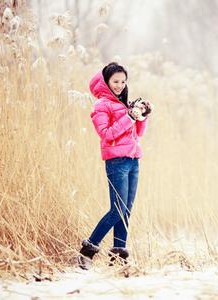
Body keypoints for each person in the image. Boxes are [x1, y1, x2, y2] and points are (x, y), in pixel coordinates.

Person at [78, 62, 152, 270]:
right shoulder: (102, 105)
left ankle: (119, 255)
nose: (119, 85)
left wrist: (142, 116)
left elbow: (138, 134)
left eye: (123, 81)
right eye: (115, 81)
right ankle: (87, 250)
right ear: (106, 82)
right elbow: (106, 134)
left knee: (126, 210)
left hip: (132, 160)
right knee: (117, 209)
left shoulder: (122, 104)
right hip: (116, 162)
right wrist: (129, 117)